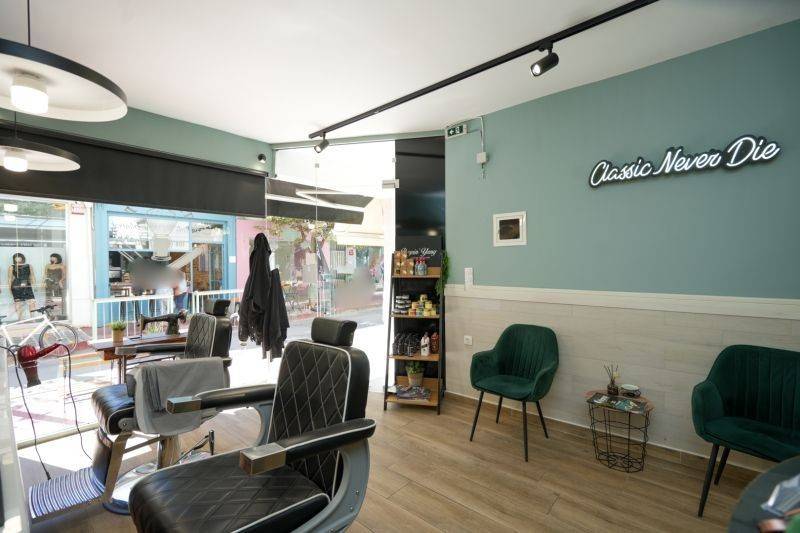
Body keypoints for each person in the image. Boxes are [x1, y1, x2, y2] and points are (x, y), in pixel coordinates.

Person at [8, 253, 36, 320]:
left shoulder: (28, 266)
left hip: (27, 285)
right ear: (14, 259)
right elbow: (9, 278)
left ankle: (33, 319)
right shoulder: (12, 267)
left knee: (32, 302)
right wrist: (9, 289)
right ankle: (20, 319)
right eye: (16, 257)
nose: (17, 258)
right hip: (16, 286)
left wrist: (35, 286)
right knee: (18, 303)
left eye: (19, 257)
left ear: (22, 258)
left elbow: (32, 276)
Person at [44, 253, 66, 318]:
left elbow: (64, 276)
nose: (52, 258)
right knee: (48, 299)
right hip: (48, 284)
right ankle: (50, 316)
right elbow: (45, 275)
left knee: (57, 299)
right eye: (51, 257)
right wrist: (43, 283)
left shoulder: (62, 266)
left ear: (57, 258)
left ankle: (56, 316)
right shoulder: (47, 265)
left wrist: (60, 281)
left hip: (56, 284)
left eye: (53, 257)